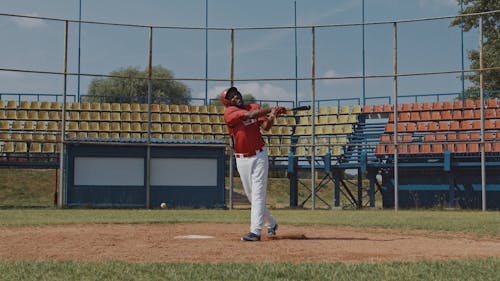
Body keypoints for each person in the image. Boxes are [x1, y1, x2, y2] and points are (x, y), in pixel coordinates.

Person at [221, 86, 287, 242]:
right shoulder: (230, 112)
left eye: (236, 93)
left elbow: (266, 127)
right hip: (241, 159)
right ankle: (271, 223)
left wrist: (272, 116)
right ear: (228, 102)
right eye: (231, 96)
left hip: (259, 156)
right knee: (252, 197)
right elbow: (250, 115)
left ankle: (255, 232)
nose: (235, 96)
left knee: (257, 195)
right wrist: (271, 108)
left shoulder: (254, 106)